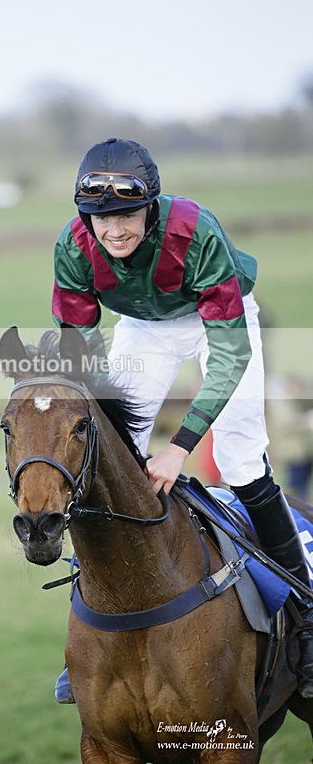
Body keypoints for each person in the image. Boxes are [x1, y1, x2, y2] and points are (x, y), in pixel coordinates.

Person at [52, 136, 313, 699]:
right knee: (107, 456)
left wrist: (179, 447)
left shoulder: (195, 230)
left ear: (150, 206)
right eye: (101, 218)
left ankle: (308, 617)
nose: (114, 230)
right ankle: (95, 626)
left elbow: (230, 355)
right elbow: (79, 345)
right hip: (143, 328)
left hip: (217, 320)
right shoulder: (72, 246)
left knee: (243, 458)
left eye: (126, 214)